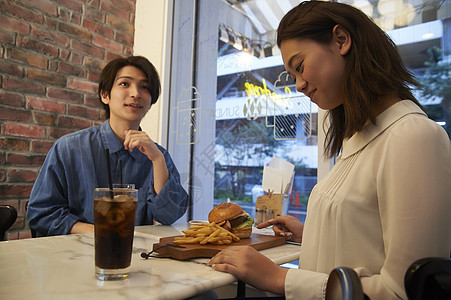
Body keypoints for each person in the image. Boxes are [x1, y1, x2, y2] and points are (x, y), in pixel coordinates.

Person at [207, 1, 451, 299]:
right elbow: (367, 238)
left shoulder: (413, 137)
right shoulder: (360, 138)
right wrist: (313, 233)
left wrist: (278, 278)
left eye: (299, 67)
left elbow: (402, 291)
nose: (298, 85)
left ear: (341, 40)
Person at [27, 55, 189, 236]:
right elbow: (41, 214)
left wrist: (157, 160)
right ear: (105, 95)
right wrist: (101, 232)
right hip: (76, 256)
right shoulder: (68, 148)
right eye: (124, 84)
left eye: (145, 87)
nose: (136, 93)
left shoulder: (158, 155)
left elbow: (171, 215)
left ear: (150, 102)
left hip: (134, 257)